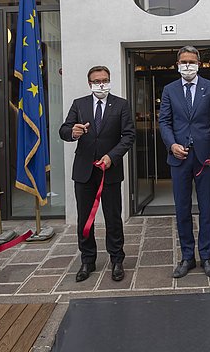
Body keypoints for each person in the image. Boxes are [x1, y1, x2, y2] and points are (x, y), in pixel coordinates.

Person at [59, 66, 135, 282]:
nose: (101, 84)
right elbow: (64, 130)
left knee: (113, 217)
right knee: (85, 219)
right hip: (84, 172)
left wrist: (112, 156)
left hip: (109, 170)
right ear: (89, 83)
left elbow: (128, 136)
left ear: (109, 81)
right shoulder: (79, 104)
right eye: (96, 81)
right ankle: (87, 260)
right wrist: (73, 132)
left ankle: (117, 259)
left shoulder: (121, 105)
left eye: (104, 80)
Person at [159, 46, 210, 279]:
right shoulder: (169, 90)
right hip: (179, 158)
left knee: (206, 209)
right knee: (182, 209)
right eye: (183, 61)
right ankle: (187, 256)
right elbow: (164, 122)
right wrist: (171, 145)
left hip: (205, 158)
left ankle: (206, 256)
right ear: (177, 64)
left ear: (199, 63)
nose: (187, 65)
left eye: (192, 61)